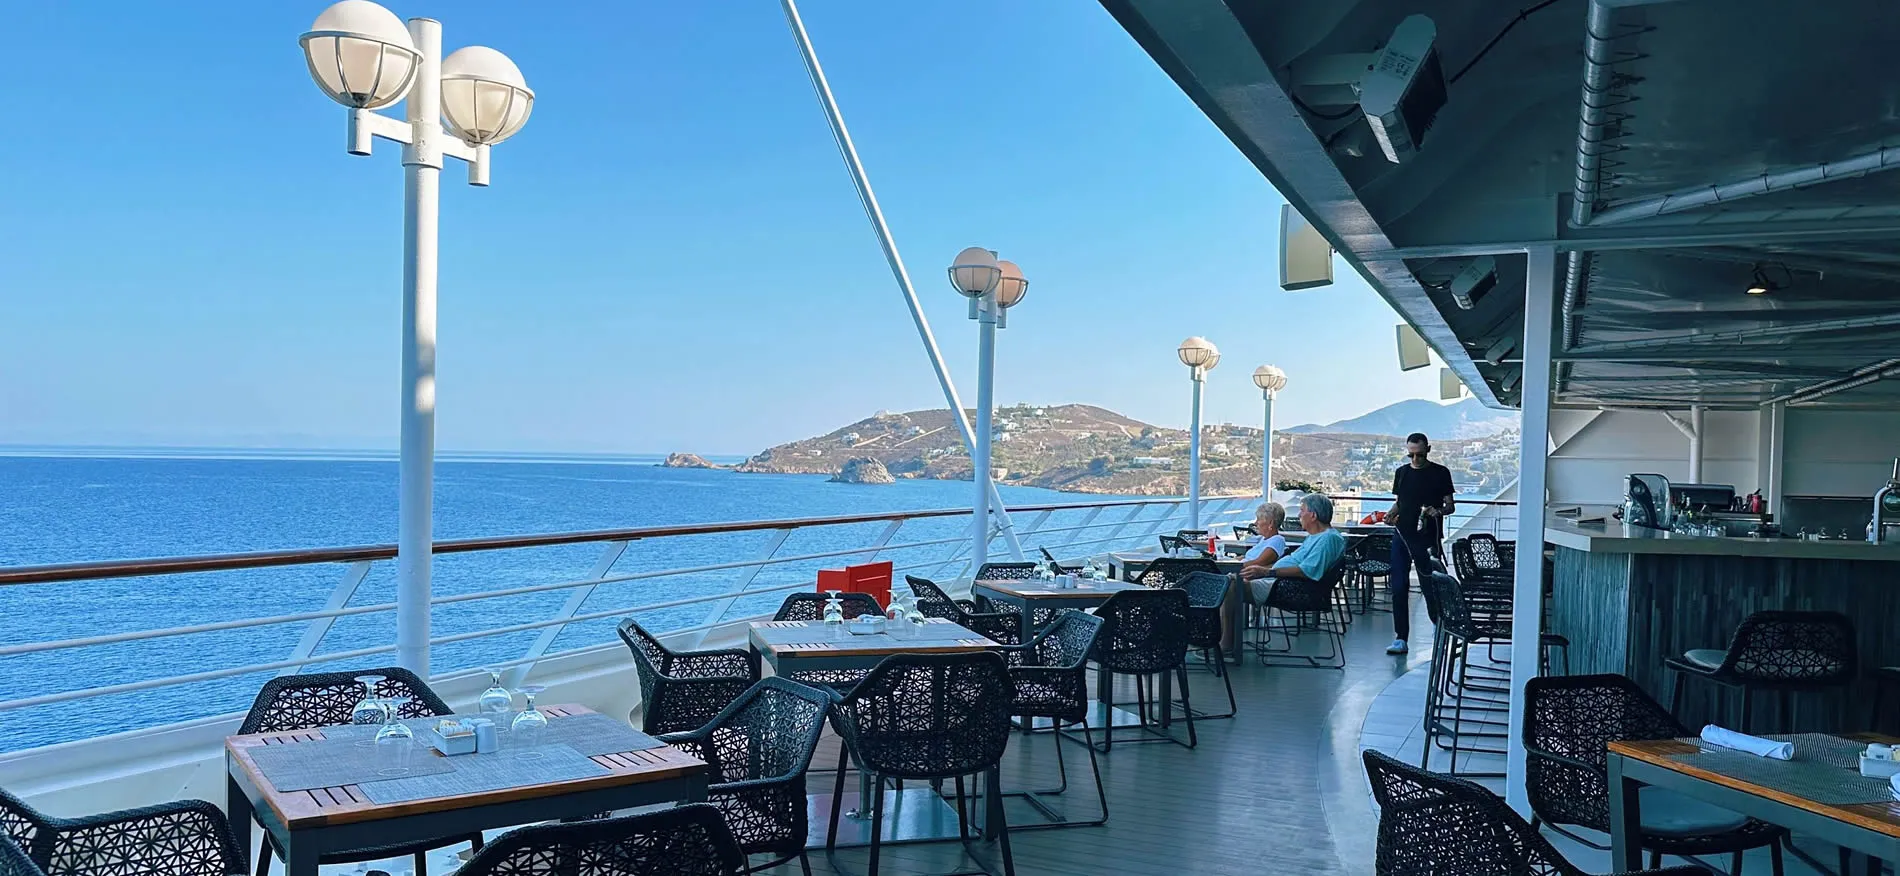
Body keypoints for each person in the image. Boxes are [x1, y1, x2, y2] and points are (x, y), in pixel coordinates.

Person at [1385, 432, 1455, 654]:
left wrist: (1438, 511)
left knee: (1429, 584)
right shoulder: (1402, 473)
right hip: (1402, 534)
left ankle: (1437, 624)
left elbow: (1450, 506)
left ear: (1428, 450)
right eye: (1411, 455)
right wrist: (1389, 515)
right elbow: (1400, 503)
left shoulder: (1440, 473)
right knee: (1398, 586)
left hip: (1427, 534)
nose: (1415, 459)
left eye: (1420, 455)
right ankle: (1401, 637)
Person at [1248, 494, 1348, 604]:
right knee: (1231, 580)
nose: (1299, 514)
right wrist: (1261, 570)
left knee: (1231, 584)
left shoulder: (1328, 539)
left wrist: (1267, 572)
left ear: (1313, 516)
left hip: (1291, 587)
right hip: (1279, 581)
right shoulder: (1315, 536)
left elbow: (1306, 570)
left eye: (1302, 510)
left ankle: (1232, 621)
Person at [1238, 501, 1289, 580]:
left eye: (1259, 519)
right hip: (1241, 573)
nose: (1255, 523)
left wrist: (1235, 565)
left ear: (1271, 523)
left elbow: (1259, 562)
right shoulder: (1263, 539)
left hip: (1247, 577)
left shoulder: (1277, 540)